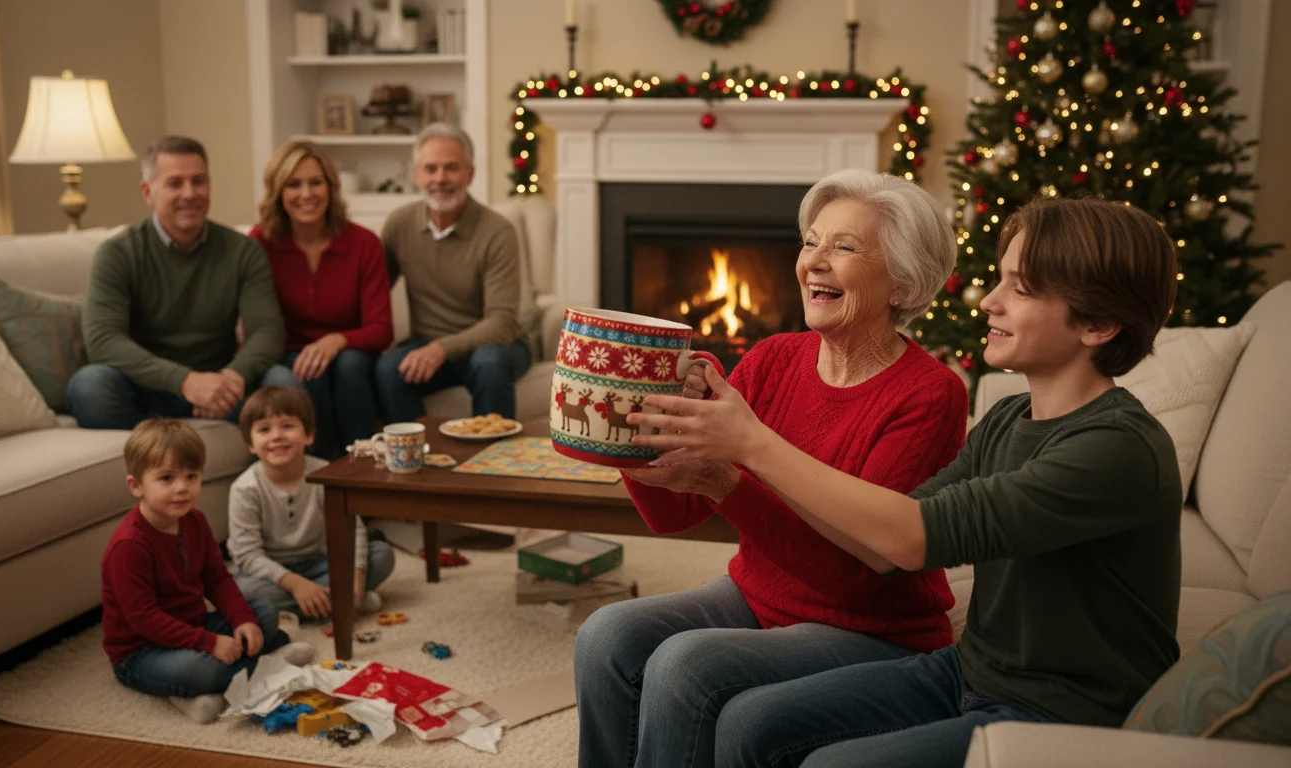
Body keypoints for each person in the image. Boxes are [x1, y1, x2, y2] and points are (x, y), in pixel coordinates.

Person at [626, 196, 1183, 768]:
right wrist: (697, 459)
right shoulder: (1006, 420)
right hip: (968, 672)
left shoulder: (1117, 449)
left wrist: (751, 445)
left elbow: (913, 537)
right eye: (1000, 280)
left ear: (1098, 324)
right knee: (748, 722)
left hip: (1065, 713)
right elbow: (882, 538)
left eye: (1020, 289)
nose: (988, 301)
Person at [574, 170, 970, 768]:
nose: (815, 261)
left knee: (685, 666)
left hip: (872, 628)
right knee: (606, 637)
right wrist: (637, 428)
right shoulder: (774, 358)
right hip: (757, 596)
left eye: (844, 247)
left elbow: (859, 577)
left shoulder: (930, 394)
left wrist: (726, 481)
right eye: (812, 242)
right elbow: (672, 517)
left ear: (903, 281)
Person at [101, 419, 315, 725]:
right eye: (166, 478)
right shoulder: (129, 546)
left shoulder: (195, 520)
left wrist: (241, 620)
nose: (182, 488)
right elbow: (144, 619)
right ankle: (268, 664)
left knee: (263, 612)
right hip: (141, 651)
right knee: (200, 670)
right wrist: (208, 643)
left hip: (193, 624)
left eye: (191, 476)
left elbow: (217, 579)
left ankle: (212, 688)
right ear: (136, 486)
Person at [68, 135, 288, 429]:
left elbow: (267, 330)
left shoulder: (242, 251)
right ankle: (152, 456)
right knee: (90, 386)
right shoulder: (118, 253)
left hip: (221, 388)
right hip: (146, 388)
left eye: (199, 181)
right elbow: (103, 341)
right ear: (148, 192)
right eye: (175, 183)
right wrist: (185, 381)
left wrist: (231, 378)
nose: (190, 193)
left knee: (284, 384)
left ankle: (273, 476)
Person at [374, 123, 531, 423]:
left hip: (496, 346)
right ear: (416, 174)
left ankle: (493, 463)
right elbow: (374, 290)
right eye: (430, 169)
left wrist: (440, 349)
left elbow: (501, 322)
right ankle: (421, 457)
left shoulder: (498, 231)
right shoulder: (399, 225)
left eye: (451, 168)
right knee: (388, 369)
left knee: (489, 362)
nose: (440, 178)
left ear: (470, 175)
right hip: (427, 342)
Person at [250, 140, 393, 459]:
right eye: (294, 184)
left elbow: (382, 328)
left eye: (316, 182)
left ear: (331, 188)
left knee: (350, 364)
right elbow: (252, 323)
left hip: (348, 356)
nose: (307, 194)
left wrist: (336, 340)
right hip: (287, 354)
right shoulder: (259, 243)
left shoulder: (363, 243)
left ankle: (365, 469)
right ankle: (321, 475)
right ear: (278, 191)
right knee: (303, 372)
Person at [228, 386, 395, 619]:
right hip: (271, 573)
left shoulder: (326, 474)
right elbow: (247, 556)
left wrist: (354, 580)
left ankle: (329, 601)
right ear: (251, 444)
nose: (277, 436)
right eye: (264, 429)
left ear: (309, 435)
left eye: (287, 426)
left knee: (381, 556)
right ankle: (336, 602)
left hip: (321, 563)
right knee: (241, 590)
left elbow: (351, 533)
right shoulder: (244, 489)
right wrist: (296, 585)